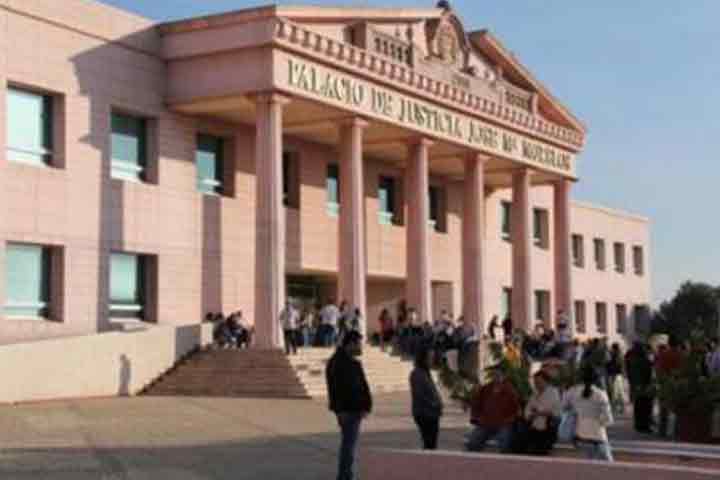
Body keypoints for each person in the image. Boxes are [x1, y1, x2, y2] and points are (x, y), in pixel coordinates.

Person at [326, 331, 372, 480]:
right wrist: (339, 410)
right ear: (350, 344)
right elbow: (334, 389)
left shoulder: (353, 363)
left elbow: (363, 386)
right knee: (348, 446)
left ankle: (345, 474)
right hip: (347, 411)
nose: (360, 347)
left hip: (355, 410)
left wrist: (366, 406)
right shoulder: (337, 363)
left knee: (349, 445)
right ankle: (344, 475)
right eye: (358, 344)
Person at [465, 366, 521, 453]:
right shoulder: (485, 389)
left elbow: (517, 409)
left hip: (503, 424)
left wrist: (509, 420)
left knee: (504, 445)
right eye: (494, 375)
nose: (496, 377)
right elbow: (476, 405)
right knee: (472, 443)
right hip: (485, 423)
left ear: (504, 376)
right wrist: (477, 418)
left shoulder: (510, 390)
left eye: (498, 375)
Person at [563, 367, 614, 461]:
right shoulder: (601, 394)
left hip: (579, 435)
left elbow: (564, 407)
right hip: (598, 436)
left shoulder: (572, 392)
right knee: (607, 466)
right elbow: (608, 419)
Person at [410, 345, 443, 450]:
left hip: (432, 412)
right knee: (429, 442)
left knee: (432, 442)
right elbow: (419, 394)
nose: (431, 360)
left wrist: (438, 403)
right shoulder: (417, 373)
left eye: (432, 357)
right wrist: (434, 403)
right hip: (424, 413)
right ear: (423, 358)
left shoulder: (426, 372)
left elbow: (431, 391)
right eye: (429, 357)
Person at [525, 371, 562, 455]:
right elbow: (528, 410)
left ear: (546, 381)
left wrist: (537, 412)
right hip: (534, 428)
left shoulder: (553, 393)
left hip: (547, 430)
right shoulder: (534, 394)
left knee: (542, 452)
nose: (536, 384)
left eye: (539, 381)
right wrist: (533, 413)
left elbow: (553, 411)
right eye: (535, 382)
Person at [654, 338, 684, 437]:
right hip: (677, 383)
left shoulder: (663, 354)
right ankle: (677, 431)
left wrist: (660, 381)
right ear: (677, 345)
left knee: (664, 409)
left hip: (665, 383)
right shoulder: (681, 355)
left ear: (669, 344)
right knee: (678, 409)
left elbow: (659, 369)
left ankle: (662, 431)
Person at [625, 341, 654, 433]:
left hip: (635, 385)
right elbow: (649, 373)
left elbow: (629, 372)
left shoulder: (632, 359)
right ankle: (645, 425)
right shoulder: (644, 360)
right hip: (644, 386)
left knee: (638, 406)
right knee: (646, 406)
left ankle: (638, 425)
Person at [606, 343, 625, 414]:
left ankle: (616, 408)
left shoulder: (616, 356)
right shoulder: (619, 355)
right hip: (618, 375)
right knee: (619, 392)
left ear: (614, 349)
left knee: (615, 392)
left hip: (615, 375)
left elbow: (616, 365)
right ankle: (620, 408)